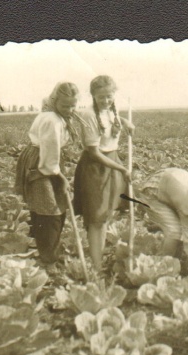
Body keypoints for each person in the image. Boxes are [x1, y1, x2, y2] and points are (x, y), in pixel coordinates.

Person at [14, 82, 80, 269]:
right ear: (55, 102)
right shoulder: (52, 120)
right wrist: (62, 178)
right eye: (65, 106)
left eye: (73, 105)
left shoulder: (55, 114)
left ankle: (46, 252)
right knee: (49, 210)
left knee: (46, 207)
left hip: (44, 159)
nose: (69, 109)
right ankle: (47, 260)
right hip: (42, 163)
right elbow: (49, 161)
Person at [73, 75, 135, 270]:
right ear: (93, 96)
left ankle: (98, 257)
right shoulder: (89, 116)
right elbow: (94, 152)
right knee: (96, 217)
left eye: (109, 96)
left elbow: (110, 118)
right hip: (96, 168)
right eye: (101, 97)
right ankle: (97, 266)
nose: (106, 100)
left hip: (112, 162)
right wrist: (122, 168)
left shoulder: (110, 110)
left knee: (107, 213)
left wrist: (124, 121)